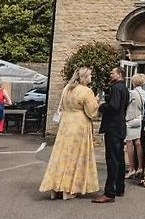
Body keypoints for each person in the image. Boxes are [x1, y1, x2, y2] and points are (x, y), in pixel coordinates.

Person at [39, 67, 99, 200]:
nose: (91, 78)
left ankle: (55, 188)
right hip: (79, 124)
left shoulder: (67, 89)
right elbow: (92, 112)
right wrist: (97, 101)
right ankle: (70, 189)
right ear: (83, 77)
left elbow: (61, 106)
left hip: (65, 124)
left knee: (61, 155)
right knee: (76, 156)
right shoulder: (86, 91)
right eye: (89, 75)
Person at [92, 67, 128, 204]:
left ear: (119, 74)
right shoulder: (124, 88)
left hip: (113, 128)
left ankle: (109, 193)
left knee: (112, 160)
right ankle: (120, 188)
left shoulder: (117, 88)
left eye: (112, 72)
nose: (110, 74)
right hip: (120, 127)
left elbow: (114, 106)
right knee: (119, 159)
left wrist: (101, 106)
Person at [125, 73, 145, 179]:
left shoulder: (132, 93)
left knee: (129, 144)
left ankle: (132, 168)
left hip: (130, 119)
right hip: (139, 118)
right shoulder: (144, 93)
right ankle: (140, 167)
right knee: (138, 143)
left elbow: (126, 104)